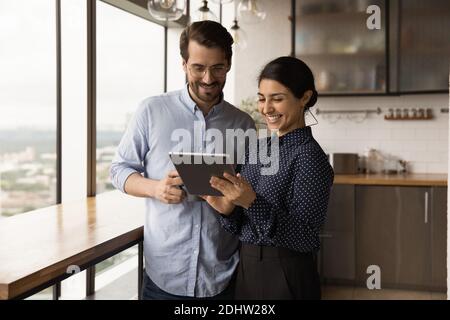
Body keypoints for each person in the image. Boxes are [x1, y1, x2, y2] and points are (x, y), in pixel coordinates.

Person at [110, 21, 255, 300]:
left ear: (229, 65)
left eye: (218, 68)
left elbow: (248, 191)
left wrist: (234, 198)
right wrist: (155, 188)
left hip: (221, 273)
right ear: (184, 64)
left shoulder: (244, 123)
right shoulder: (152, 110)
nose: (208, 78)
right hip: (164, 274)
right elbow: (118, 169)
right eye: (198, 67)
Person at [203, 56, 334, 300]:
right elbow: (243, 223)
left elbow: (306, 237)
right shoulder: (257, 149)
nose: (266, 108)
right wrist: (227, 210)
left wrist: (251, 202)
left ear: (304, 98)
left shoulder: (309, 157)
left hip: (287, 273)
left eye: (277, 99)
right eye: (262, 99)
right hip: (247, 267)